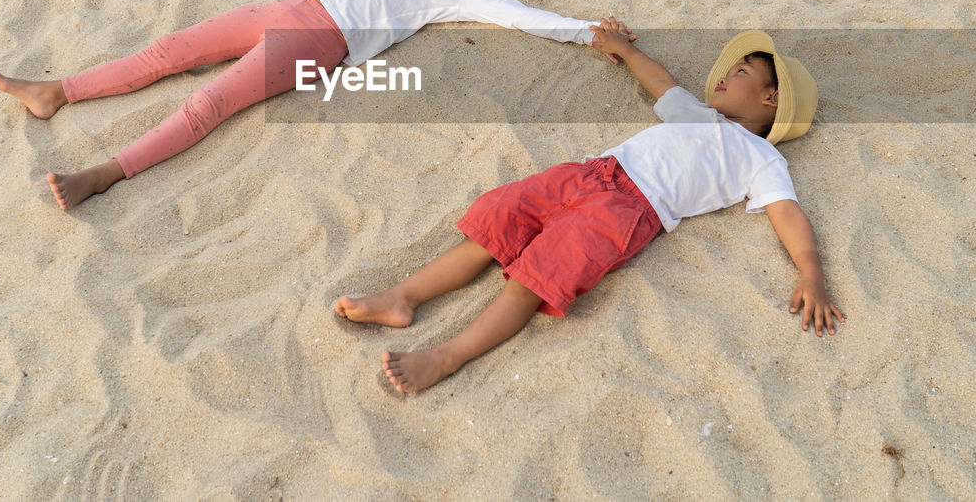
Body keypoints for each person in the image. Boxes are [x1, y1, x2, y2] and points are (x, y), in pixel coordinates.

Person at [0, 0, 625, 209]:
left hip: (320, 40)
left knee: (210, 102)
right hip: (287, 4)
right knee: (172, 50)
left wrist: (587, 31)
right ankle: (57, 91)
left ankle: (103, 174)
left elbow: (521, 17)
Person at [335, 22, 844, 393]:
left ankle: (446, 357)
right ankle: (401, 297)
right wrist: (621, 47)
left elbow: (788, 215)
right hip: (589, 173)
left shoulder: (761, 157)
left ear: (772, 99)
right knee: (495, 223)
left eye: (740, 71)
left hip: (628, 211)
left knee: (533, 281)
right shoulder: (697, 111)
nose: (724, 77)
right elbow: (660, 81)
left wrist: (811, 273)